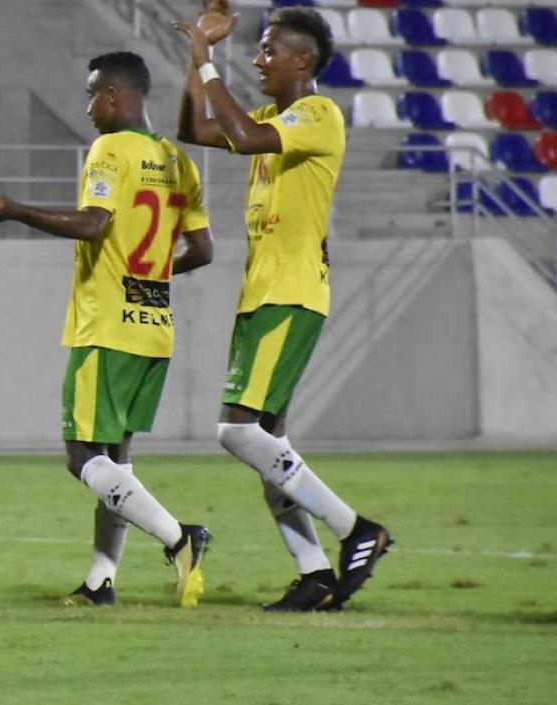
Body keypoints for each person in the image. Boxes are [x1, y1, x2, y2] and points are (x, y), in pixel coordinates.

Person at [0, 51, 215, 608]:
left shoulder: (111, 150)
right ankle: (101, 581)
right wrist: (150, 271)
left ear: (113, 95)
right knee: (116, 464)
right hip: (154, 326)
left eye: (91, 95)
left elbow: (93, 223)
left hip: (106, 326)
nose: (87, 108)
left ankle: (181, 538)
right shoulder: (178, 160)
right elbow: (202, 250)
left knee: (82, 456)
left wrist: (15, 210)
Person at [173, 1, 392, 611]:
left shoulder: (318, 114)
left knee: (235, 432)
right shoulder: (277, 116)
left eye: (269, 50)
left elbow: (239, 133)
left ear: (303, 60)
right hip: (264, 294)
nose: (259, 58)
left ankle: (356, 530)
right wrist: (201, 58)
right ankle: (316, 574)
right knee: (270, 440)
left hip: (290, 294)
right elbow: (194, 129)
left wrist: (210, 69)